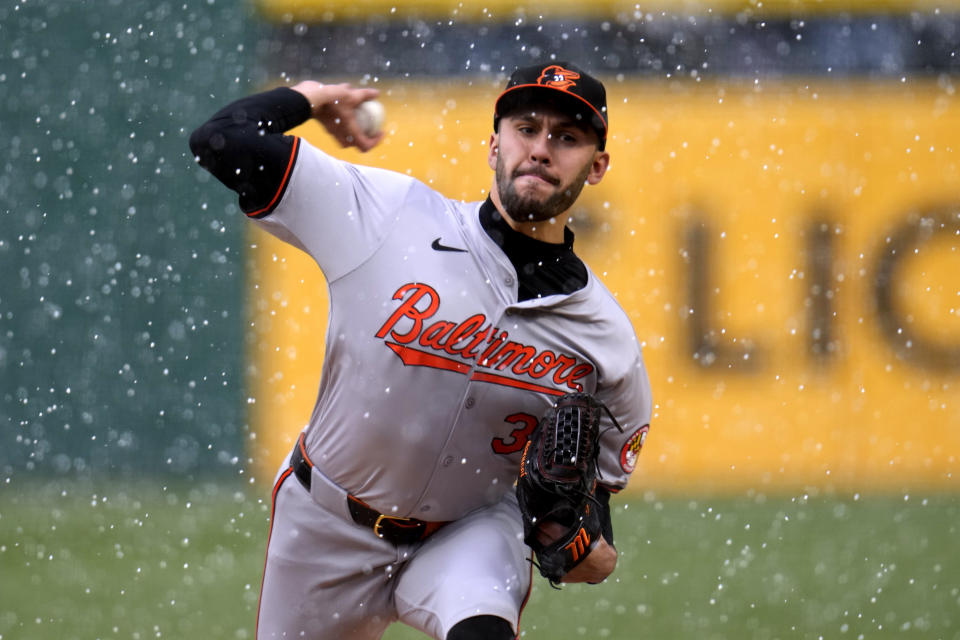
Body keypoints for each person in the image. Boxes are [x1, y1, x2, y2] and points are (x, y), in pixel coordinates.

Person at [189, 61, 652, 640]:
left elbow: (594, 532)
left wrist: (580, 546)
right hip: (325, 521)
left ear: (597, 164)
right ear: (493, 145)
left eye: (567, 137)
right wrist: (305, 98)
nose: (540, 149)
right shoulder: (389, 215)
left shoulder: (605, 339)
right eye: (525, 128)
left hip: (467, 532)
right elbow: (218, 140)